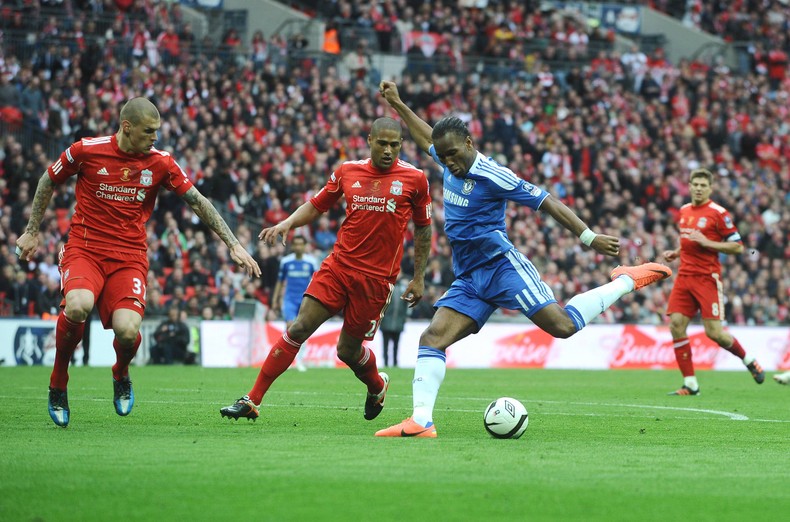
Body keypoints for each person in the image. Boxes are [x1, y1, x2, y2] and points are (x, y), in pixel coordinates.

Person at [375, 81, 672, 438]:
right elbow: (426, 137)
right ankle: (422, 422)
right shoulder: (447, 157)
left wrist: (588, 237)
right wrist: (398, 104)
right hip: (469, 276)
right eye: (444, 156)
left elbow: (547, 202)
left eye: (453, 154)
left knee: (562, 326)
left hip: (502, 267)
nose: (449, 162)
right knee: (432, 338)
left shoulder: (494, 175)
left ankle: (625, 280)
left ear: (469, 143)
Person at [16, 97, 261, 428]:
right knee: (77, 305)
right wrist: (32, 232)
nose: (155, 137)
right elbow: (48, 180)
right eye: (149, 131)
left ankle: (121, 373)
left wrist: (233, 244)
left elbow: (198, 201)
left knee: (128, 331)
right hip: (85, 249)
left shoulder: (160, 162)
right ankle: (58, 383)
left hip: (129, 256)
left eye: (157, 131)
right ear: (127, 127)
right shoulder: (86, 150)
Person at [220, 117, 433, 422]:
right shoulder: (348, 171)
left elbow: (424, 227)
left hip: (376, 280)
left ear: (401, 145)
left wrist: (419, 277)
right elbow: (317, 204)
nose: (388, 150)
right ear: (369, 140)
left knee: (347, 351)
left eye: (394, 145)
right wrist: (288, 223)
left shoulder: (415, 179)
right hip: (338, 267)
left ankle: (376, 385)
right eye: (382, 143)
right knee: (299, 327)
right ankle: (252, 400)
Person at [661, 168, 764, 396]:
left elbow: (738, 247)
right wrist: (677, 252)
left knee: (715, 333)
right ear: (689, 186)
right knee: (676, 325)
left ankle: (749, 360)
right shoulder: (684, 210)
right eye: (695, 184)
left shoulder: (718, 213)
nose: (698, 188)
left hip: (707, 278)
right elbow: (689, 240)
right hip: (684, 277)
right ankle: (690, 384)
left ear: (710, 188)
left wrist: (708, 243)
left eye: (703, 185)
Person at [269, 234, 319, 372]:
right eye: (295, 244)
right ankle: (286, 360)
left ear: (304, 246)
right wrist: (275, 299)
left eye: (300, 244)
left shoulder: (311, 262)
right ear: (292, 246)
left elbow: (316, 281)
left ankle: (300, 361)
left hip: (305, 301)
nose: (298, 247)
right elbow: (280, 282)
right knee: (290, 327)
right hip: (289, 300)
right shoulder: (286, 262)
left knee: (303, 329)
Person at [380, 276, 409, 367]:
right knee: (386, 345)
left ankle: (395, 363)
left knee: (396, 345)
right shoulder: (386, 286)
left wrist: (405, 316)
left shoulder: (403, 287)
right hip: (386, 321)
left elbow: (407, 304)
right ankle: (386, 363)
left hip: (398, 322)